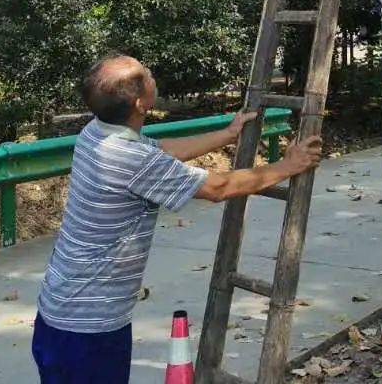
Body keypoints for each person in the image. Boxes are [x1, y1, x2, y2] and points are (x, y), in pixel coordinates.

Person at [33, 54, 321, 383]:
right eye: (147, 73)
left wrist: (227, 135)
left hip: (58, 312)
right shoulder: (131, 158)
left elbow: (161, 150)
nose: (152, 73)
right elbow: (218, 187)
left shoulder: (96, 133)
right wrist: (288, 167)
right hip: (89, 326)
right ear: (141, 103)